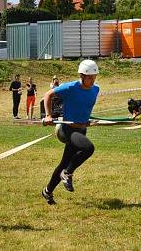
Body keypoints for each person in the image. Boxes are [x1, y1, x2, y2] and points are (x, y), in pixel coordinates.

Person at [40, 60, 100, 206]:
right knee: (88, 148)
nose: (92, 80)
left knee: (64, 163)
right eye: (89, 77)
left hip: (81, 129)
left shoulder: (95, 89)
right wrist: (48, 115)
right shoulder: (71, 87)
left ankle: (47, 191)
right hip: (67, 129)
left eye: (94, 77)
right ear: (81, 75)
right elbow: (48, 95)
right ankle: (68, 173)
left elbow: (83, 107)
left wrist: (86, 120)